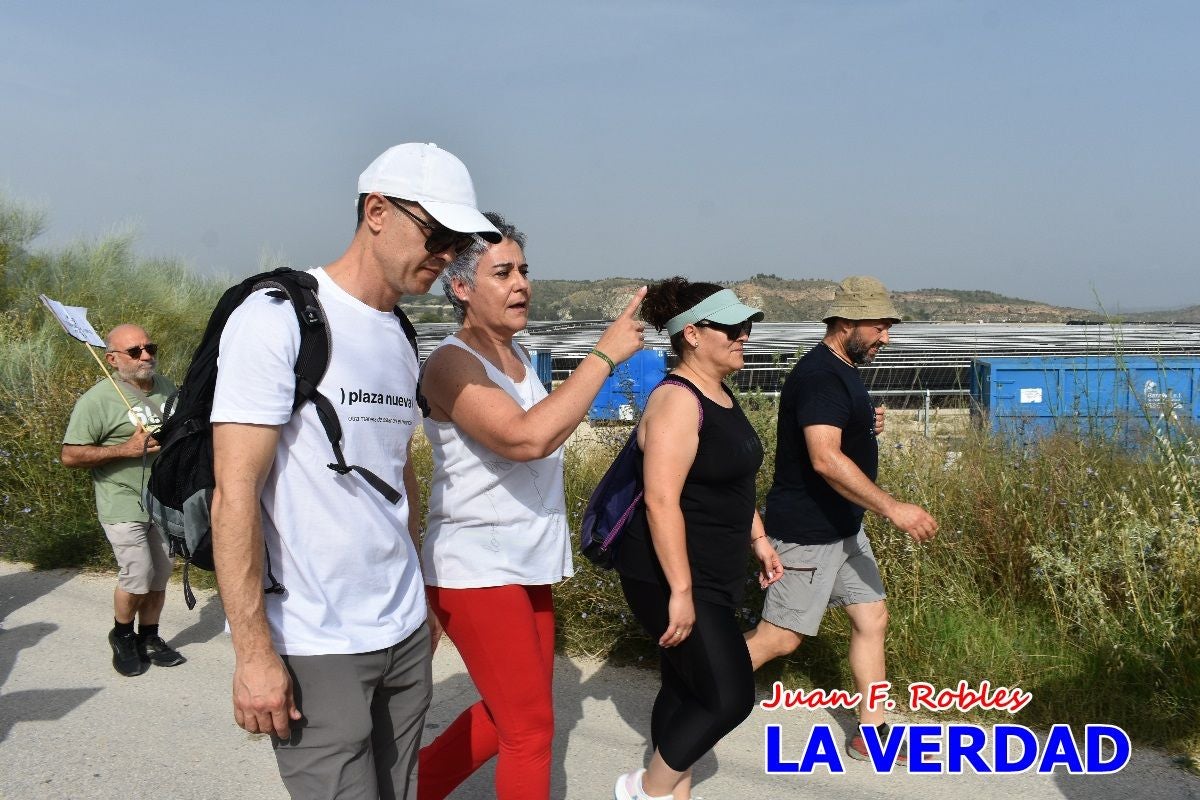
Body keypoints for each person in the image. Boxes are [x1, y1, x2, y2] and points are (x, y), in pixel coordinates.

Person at [209, 143, 500, 800]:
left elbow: (400, 477)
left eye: (460, 242)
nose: (448, 254)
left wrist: (419, 600)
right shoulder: (277, 318)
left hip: (400, 633)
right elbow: (235, 495)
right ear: (376, 211)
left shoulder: (400, 335)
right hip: (315, 641)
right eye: (438, 234)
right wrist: (253, 654)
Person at [417, 212, 646, 800]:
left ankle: (408, 787)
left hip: (526, 563)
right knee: (530, 732)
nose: (521, 282)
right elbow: (526, 438)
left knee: (509, 717)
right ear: (462, 287)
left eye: (524, 269)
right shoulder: (450, 362)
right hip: (476, 567)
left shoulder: (517, 355)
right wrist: (602, 357)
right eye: (503, 272)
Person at [743, 275, 939, 763]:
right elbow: (824, 459)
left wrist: (863, 425)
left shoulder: (842, 371)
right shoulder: (822, 375)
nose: (886, 337)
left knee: (872, 616)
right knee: (779, 638)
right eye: (879, 327)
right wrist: (893, 507)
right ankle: (693, 684)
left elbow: (831, 433)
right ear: (847, 322)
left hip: (844, 527)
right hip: (809, 531)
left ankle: (871, 735)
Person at [611, 278, 783, 800]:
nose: (743, 336)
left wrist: (759, 537)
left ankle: (672, 793)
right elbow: (662, 501)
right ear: (692, 334)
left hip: (713, 569)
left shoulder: (718, 394)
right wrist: (681, 592)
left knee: (688, 688)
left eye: (746, 327)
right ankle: (644, 790)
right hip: (672, 574)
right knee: (729, 698)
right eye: (731, 327)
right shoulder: (676, 401)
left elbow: (731, 481)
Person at [62, 323, 185, 677]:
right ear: (112, 359)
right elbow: (71, 455)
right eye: (135, 351)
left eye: (150, 347)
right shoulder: (97, 400)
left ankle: (150, 637)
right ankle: (122, 635)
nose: (146, 356)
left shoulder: (166, 388)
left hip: (162, 497)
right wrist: (126, 449)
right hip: (121, 497)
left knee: (161, 572)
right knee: (138, 573)